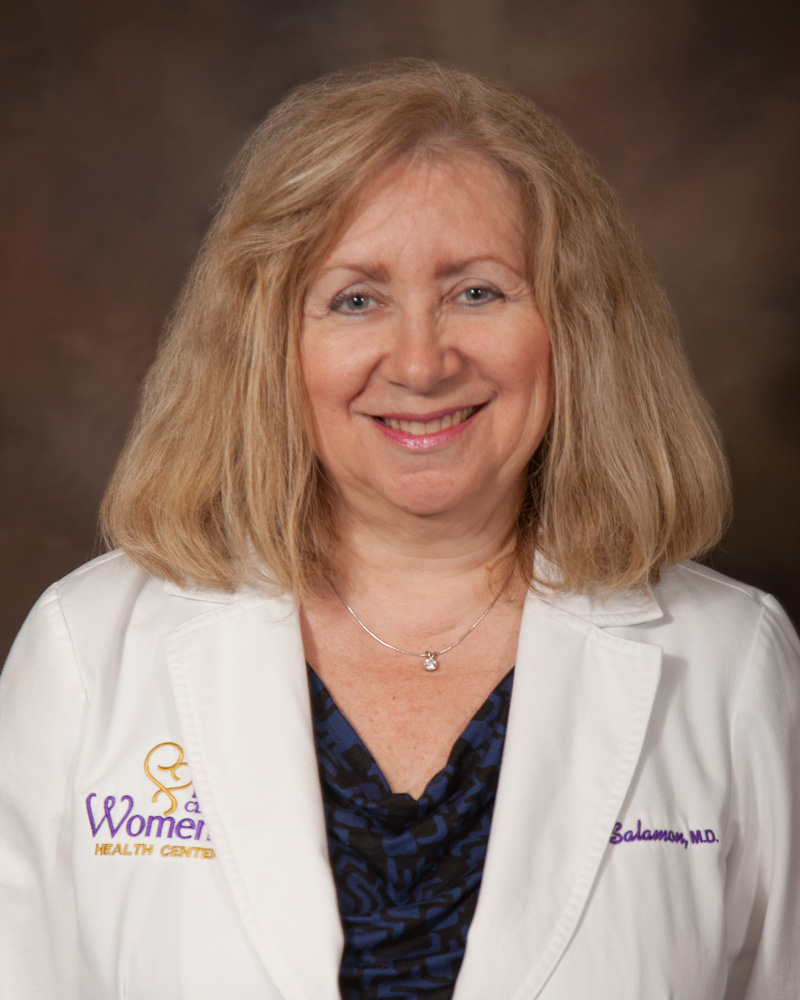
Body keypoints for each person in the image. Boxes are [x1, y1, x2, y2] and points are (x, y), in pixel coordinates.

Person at [1, 60, 798, 1000]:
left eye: (478, 292)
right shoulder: (87, 653)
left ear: (575, 328)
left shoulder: (732, 663)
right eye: (355, 299)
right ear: (266, 344)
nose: (421, 364)